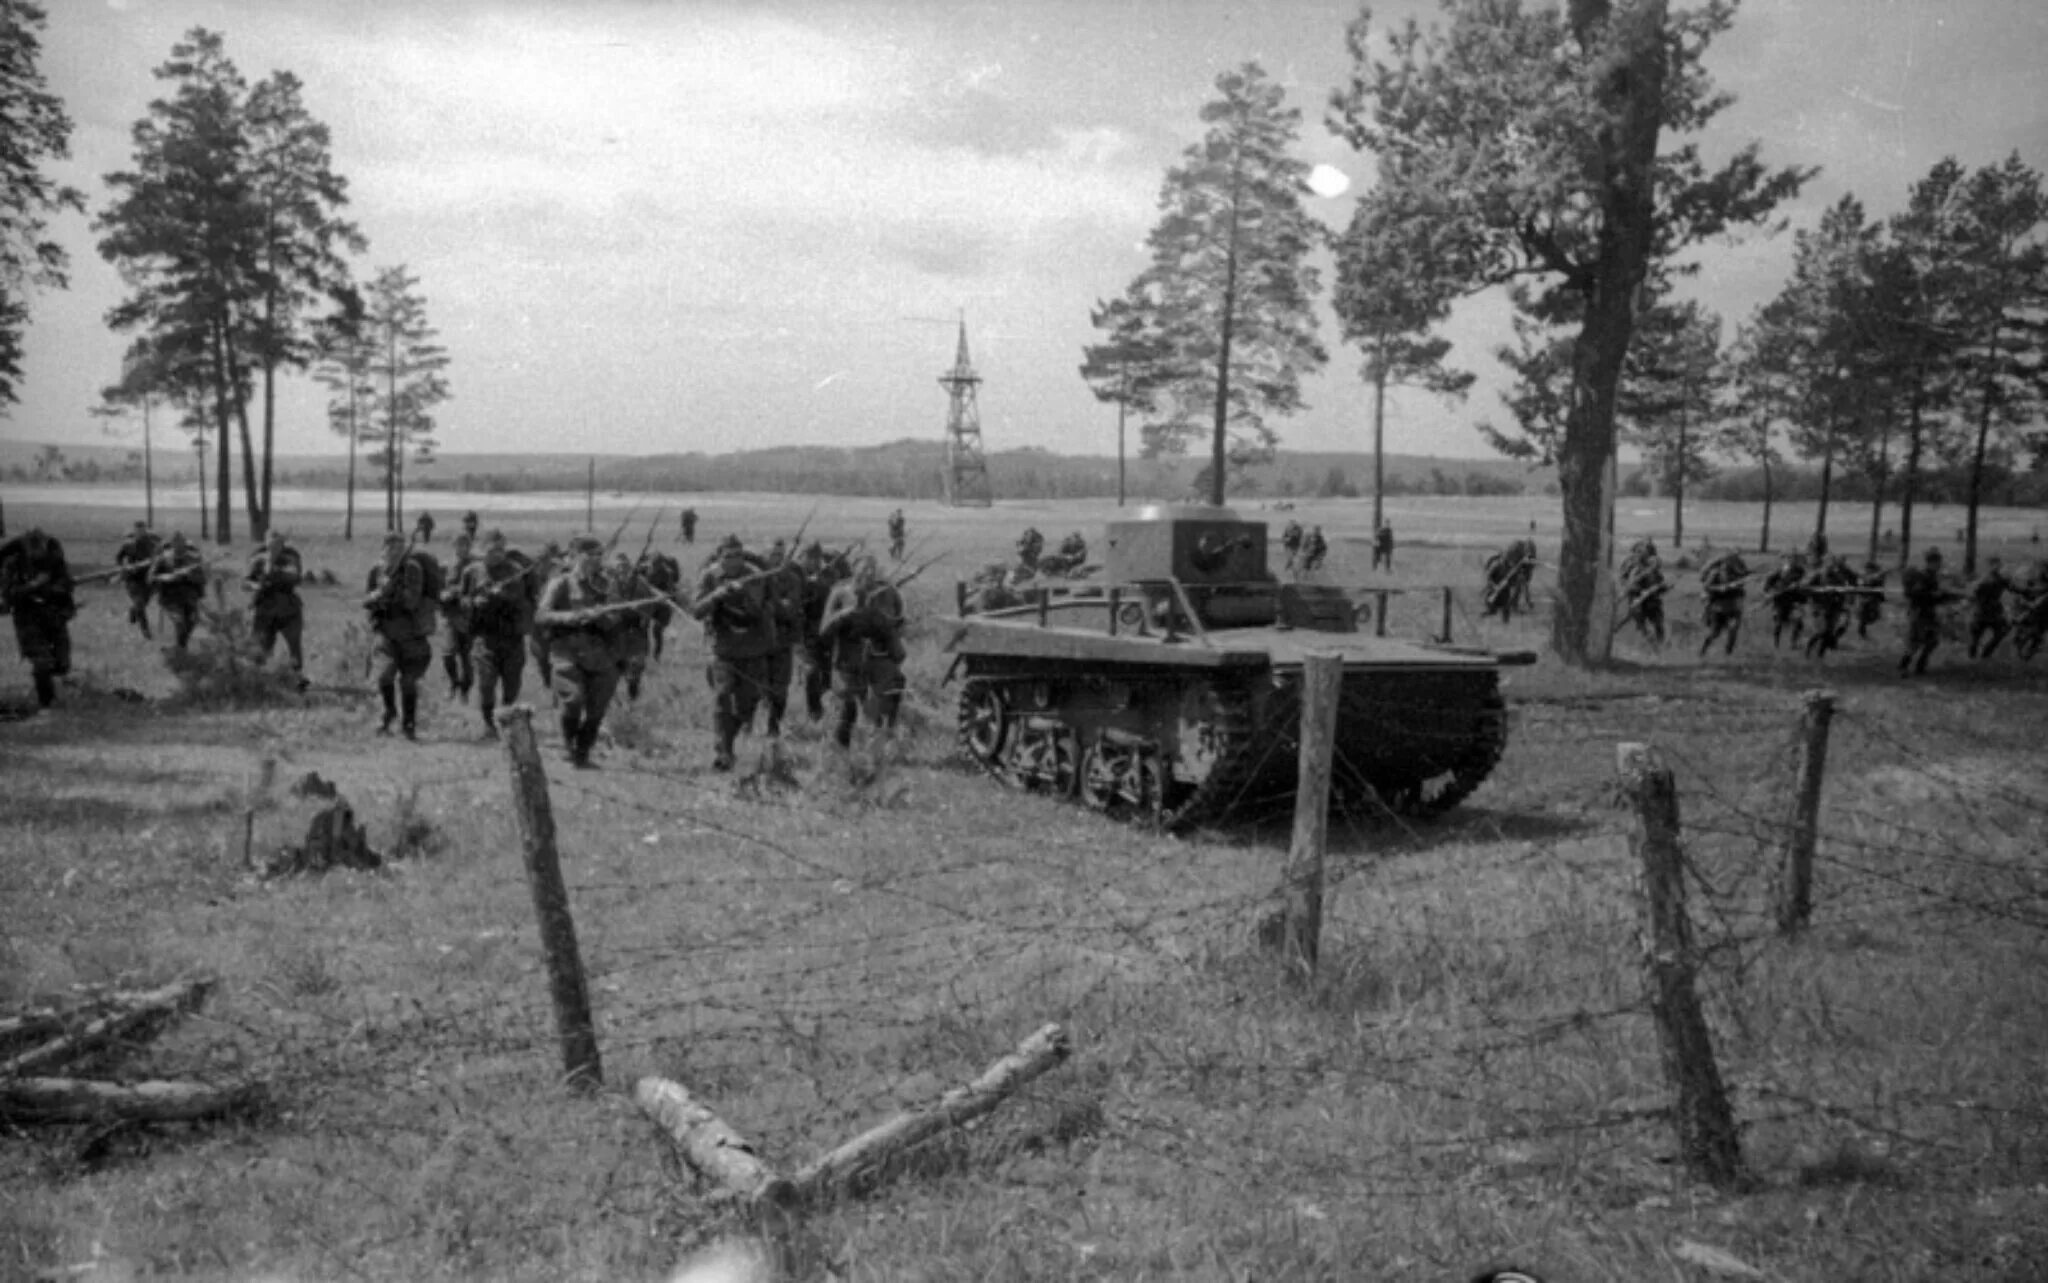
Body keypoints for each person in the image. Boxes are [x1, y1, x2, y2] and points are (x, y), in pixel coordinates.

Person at [535, 534, 626, 767]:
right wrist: (573, 616)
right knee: (573, 700)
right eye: (590, 555)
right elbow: (542, 615)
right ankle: (568, 745)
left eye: (599, 555)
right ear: (576, 556)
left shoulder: (607, 585)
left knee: (597, 709)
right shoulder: (561, 583)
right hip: (567, 651)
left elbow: (615, 618)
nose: (596, 560)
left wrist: (601, 615)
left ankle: (583, 751)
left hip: (600, 654)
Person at [692, 534, 778, 771]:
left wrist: (742, 594)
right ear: (720, 556)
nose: (734, 561)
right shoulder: (710, 576)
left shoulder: (755, 575)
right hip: (722, 649)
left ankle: (729, 741)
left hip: (752, 648)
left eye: (738, 555)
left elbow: (757, 611)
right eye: (728, 556)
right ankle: (723, 752)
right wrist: (716, 595)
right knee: (723, 696)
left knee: (747, 704)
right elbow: (696, 610)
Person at [818, 554, 906, 751]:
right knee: (847, 708)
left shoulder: (889, 593)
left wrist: (880, 620)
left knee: (889, 697)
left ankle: (879, 747)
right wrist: (845, 614)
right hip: (849, 658)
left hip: (879, 656)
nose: (868, 575)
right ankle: (841, 751)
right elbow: (824, 631)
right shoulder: (840, 592)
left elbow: (899, 625)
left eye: (872, 571)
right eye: (863, 571)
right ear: (854, 571)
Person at [458, 530, 533, 739]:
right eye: (492, 550)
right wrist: (474, 602)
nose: (497, 554)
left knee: (512, 682)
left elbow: (520, 598)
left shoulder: (515, 571)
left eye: (501, 549)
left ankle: (507, 717)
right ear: (483, 550)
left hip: (511, 635)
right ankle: (489, 722)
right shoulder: (472, 571)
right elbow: (462, 598)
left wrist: (502, 596)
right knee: (486, 682)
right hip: (484, 636)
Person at [363, 531, 432, 740]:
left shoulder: (412, 569)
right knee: (384, 675)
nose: (395, 552)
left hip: (411, 633)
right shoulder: (376, 571)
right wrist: (378, 594)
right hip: (385, 632)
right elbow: (366, 600)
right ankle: (389, 711)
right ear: (383, 548)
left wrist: (394, 591)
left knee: (408, 682)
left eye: (399, 548)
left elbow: (412, 601)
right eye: (391, 548)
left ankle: (408, 725)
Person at [0, 527, 76, 710]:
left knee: (62, 664)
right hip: (27, 618)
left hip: (53, 615)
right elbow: (10, 594)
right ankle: (46, 705)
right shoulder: (13, 563)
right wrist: (34, 586)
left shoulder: (55, 559)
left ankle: (59, 687)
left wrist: (55, 593)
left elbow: (66, 584)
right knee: (42, 662)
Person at [244, 528, 307, 686]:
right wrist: (256, 585)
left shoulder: (291, 556)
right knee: (261, 647)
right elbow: (246, 582)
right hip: (265, 609)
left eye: (278, 544)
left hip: (288, 608)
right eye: (271, 544)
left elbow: (295, 577)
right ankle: (259, 679)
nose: (274, 547)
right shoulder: (257, 557)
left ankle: (297, 676)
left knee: (294, 644)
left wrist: (272, 569)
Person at [1898, 547, 1958, 676]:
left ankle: (1920, 665)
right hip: (1918, 613)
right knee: (1915, 643)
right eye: (1938, 562)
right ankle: (1903, 665)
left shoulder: (1932, 576)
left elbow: (1934, 597)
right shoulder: (1922, 576)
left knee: (1932, 641)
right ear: (1931, 562)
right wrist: (1935, 595)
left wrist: (1946, 597)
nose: (1940, 565)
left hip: (1928, 612)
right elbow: (1917, 594)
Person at [606, 550, 657, 701]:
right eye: (619, 567)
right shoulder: (610, 584)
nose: (622, 570)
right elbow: (606, 603)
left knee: (636, 665)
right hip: (616, 630)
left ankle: (632, 691)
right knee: (615, 664)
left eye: (624, 567)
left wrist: (644, 616)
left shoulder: (641, 583)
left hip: (636, 629)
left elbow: (650, 604)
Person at [436, 532, 478, 702]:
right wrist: (443, 595)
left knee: (467, 658)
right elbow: (437, 588)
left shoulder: (477, 567)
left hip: (470, 618)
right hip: (451, 616)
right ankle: (453, 683)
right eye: (459, 545)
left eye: (465, 545)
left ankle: (465, 692)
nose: (462, 548)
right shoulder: (446, 566)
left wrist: (457, 593)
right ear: (454, 547)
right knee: (448, 654)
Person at [151, 530, 208, 651]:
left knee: (192, 622)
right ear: (171, 544)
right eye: (175, 542)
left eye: (181, 542)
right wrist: (166, 577)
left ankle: (179, 647)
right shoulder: (163, 559)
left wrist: (189, 576)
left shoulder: (194, 559)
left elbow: (202, 579)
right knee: (179, 622)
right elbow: (151, 578)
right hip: (170, 599)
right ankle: (180, 650)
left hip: (190, 598)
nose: (178, 545)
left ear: (185, 543)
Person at [1803, 555, 1857, 659]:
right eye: (1829, 563)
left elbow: (1843, 591)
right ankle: (1808, 649)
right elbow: (1807, 589)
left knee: (1829, 634)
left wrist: (1842, 597)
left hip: (1834, 608)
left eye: (1833, 563)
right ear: (1825, 563)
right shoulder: (1818, 575)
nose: (1831, 565)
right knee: (1821, 632)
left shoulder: (1838, 577)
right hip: (1820, 608)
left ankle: (1820, 655)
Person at [1698, 550, 1750, 657]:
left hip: (1733, 608)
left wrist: (1737, 587)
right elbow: (1707, 587)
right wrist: (1720, 588)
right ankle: (1703, 650)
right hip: (1718, 608)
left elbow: (1742, 588)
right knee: (1714, 633)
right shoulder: (1715, 573)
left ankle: (1728, 654)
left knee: (1733, 629)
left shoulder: (1737, 574)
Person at [115, 520, 160, 639]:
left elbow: (161, 556)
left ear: (146, 531)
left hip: (148, 579)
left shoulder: (153, 544)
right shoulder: (128, 545)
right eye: (138, 531)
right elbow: (119, 557)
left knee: (142, 603)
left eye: (142, 530)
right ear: (135, 532)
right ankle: (145, 630)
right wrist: (123, 568)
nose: (140, 533)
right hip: (132, 579)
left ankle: (133, 610)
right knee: (140, 603)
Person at [1966, 556, 2013, 659]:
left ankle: (1985, 654)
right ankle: (1973, 657)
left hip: (1993, 612)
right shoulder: (1985, 579)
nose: (1997, 566)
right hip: (1982, 612)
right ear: (1990, 566)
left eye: (1998, 564)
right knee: (1975, 638)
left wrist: (2029, 591)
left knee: (2001, 632)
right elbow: (1974, 593)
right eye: (1994, 564)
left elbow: (2014, 588)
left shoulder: (2001, 579)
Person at [1762, 553, 1807, 650]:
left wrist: (1798, 584)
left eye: (1794, 559)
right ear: (1786, 561)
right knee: (1779, 623)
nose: (1792, 561)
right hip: (1781, 600)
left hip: (1795, 600)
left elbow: (1805, 581)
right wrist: (1768, 592)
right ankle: (1776, 642)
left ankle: (1793, 643)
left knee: (1797, 621)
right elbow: (1768, 583)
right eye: (1790, 559)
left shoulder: (1800, 571)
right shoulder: (1780, 571)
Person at [1855, 561, 1887, 639]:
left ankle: (1862, 631)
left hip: (1872, 599)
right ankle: (1861, 632)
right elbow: (1863, 584)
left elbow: (1879, 586)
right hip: (1864, 599)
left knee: (1873, 616)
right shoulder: (1863, 576)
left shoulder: (1877, 576)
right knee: (1863, 617)